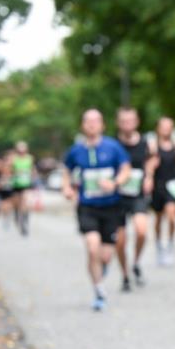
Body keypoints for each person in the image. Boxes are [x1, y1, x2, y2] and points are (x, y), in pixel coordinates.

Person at [62, 109, 131, 311]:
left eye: (96, 121)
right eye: (88, 121)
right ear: (83, 125)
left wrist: (115, 182)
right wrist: (66, 187)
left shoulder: (113, 147)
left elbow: (125, 169)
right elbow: (66, 171)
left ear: (102, 125)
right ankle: (99, 290)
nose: (92, 125)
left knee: (106, 255)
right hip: (87, 207)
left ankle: (100, 271)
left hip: (111, 207)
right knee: (92, 247)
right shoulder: (75, 151)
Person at [115, 107, 154, 291]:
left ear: (137, 122)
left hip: (137, 194)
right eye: (123, 121)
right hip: (118, 197)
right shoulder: (113, 145)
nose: (127, 124)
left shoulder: (146, 143)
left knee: (141, 231)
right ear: (118, 123)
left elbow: (152, 160)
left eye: (130, 120)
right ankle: (124, 275)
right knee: (121, 241)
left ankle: (136, 263)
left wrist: (149, 176)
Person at [150, 116, 175, 266]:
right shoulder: (153, 146)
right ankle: (159, 246)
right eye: (163, 126)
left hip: (172, 186)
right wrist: (152, 164)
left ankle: (170, 245)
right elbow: (149, 166)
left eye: (169, 126)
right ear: (158, 129)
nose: (166, 129)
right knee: (159, 218)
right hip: (158, 186)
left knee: (172, 217)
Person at [10, 141, 36, 236]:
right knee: (17, 205)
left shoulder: (30, 158)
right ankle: (16, 215)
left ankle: (24, 223)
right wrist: (16, 173)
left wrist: (32, 176)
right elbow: (9, 171)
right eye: (19, 149)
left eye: (23, 149)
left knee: (25, 204)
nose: (21, 151)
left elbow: (33, 170)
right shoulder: (13, 159)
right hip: (16, 184)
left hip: (26, 184)